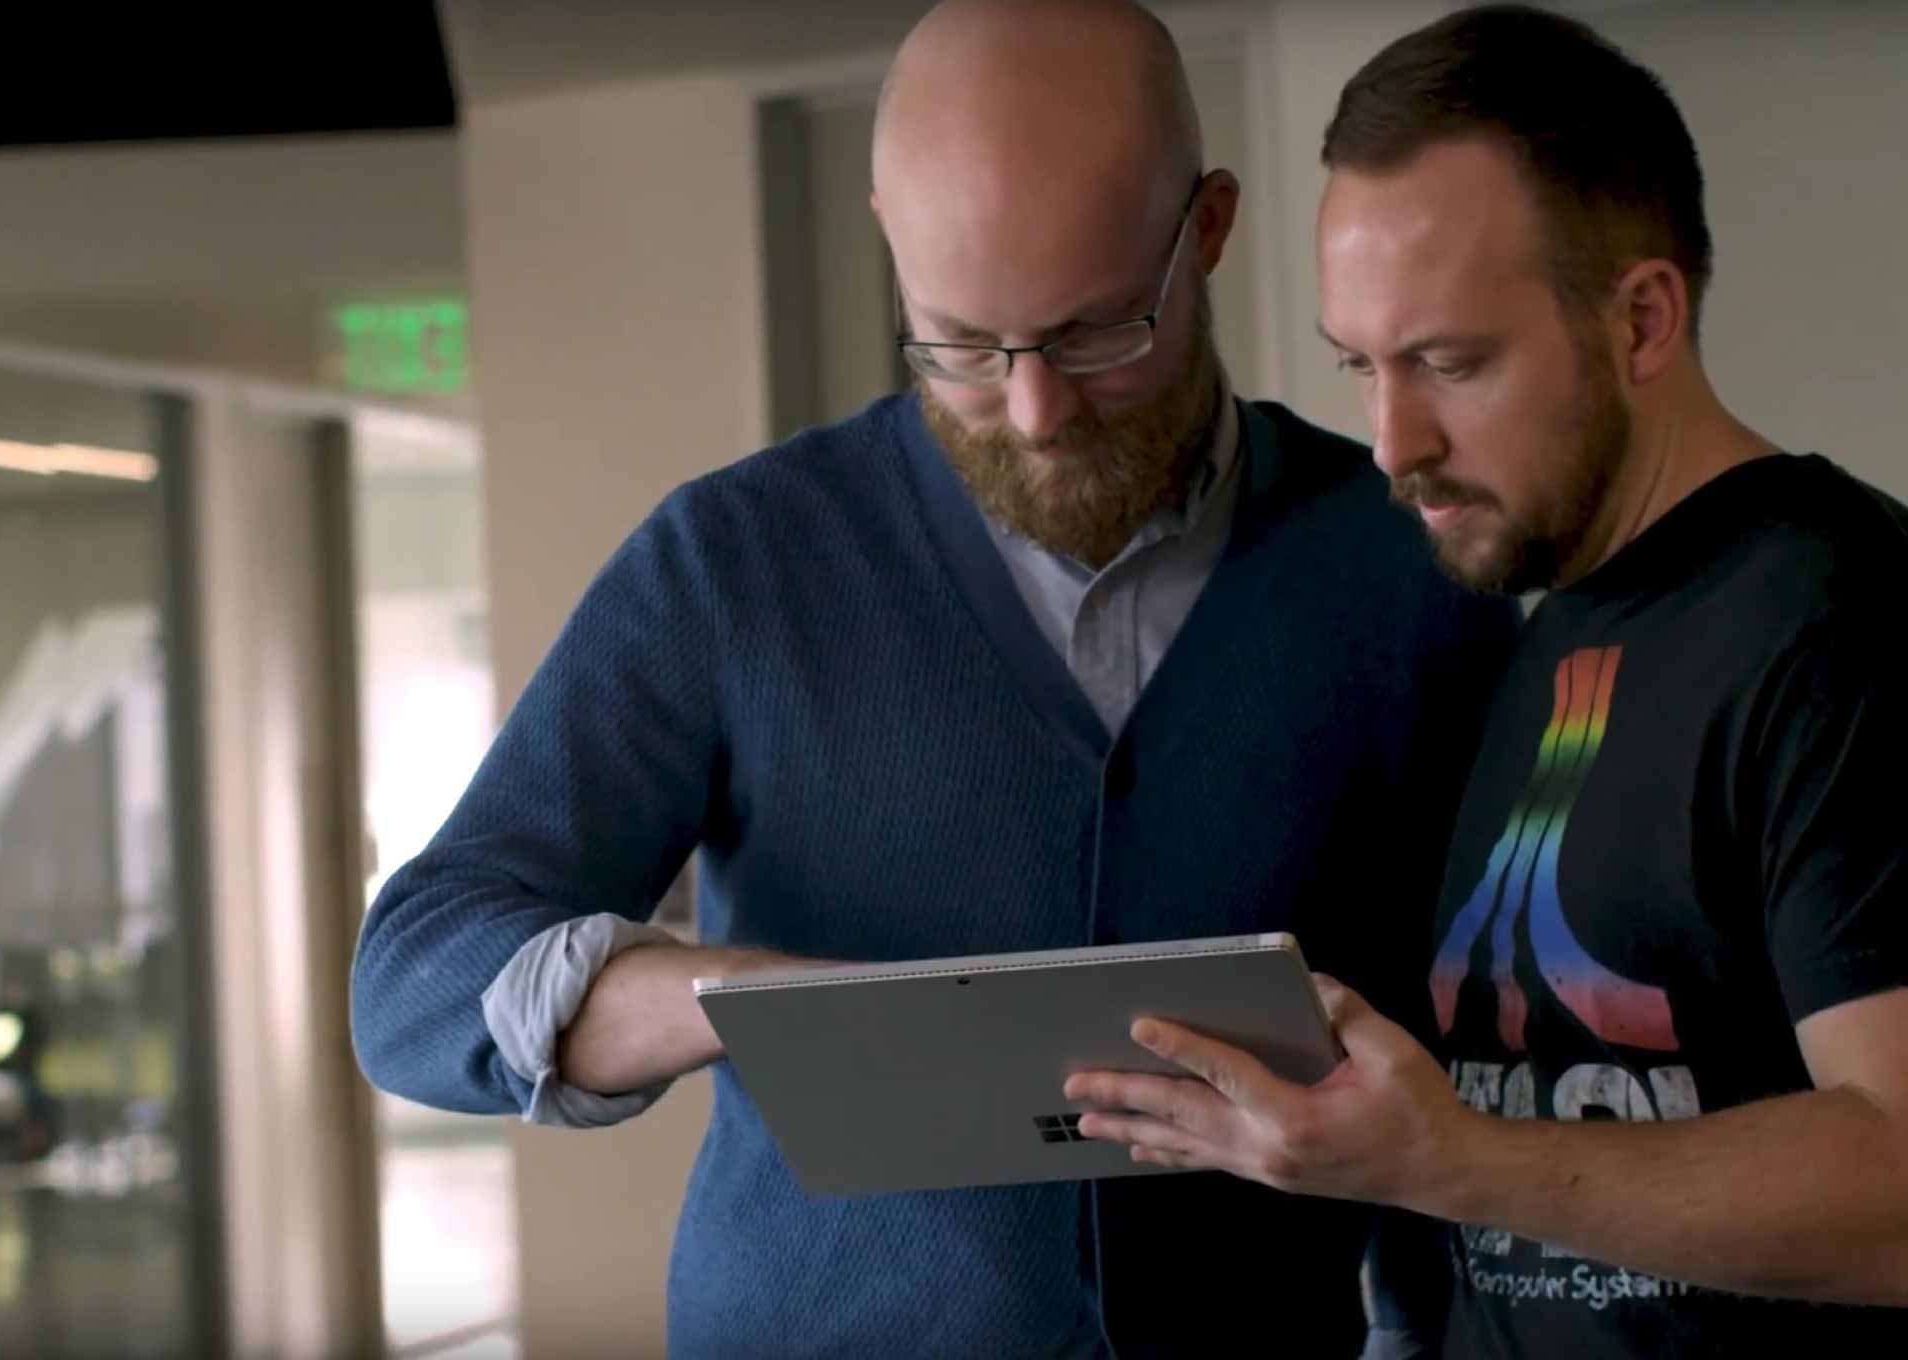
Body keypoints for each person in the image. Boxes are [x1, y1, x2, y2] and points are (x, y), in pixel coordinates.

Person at [353, 1, 1518, 1354]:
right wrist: (730, 1004)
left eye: (1097, 335)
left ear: (1205, 230)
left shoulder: (1408, 566)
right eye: (960, 345)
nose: (1035, 408)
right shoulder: (735, 562)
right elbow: (415, 981)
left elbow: (1487, 1059)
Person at [1064, 7, 1908, 1357]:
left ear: (1641, 319)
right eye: (1361, 366)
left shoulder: (1838, 615)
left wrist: (1447, 1161)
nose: (1392, 444)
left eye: (1451, 364)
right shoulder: (1545, 629)